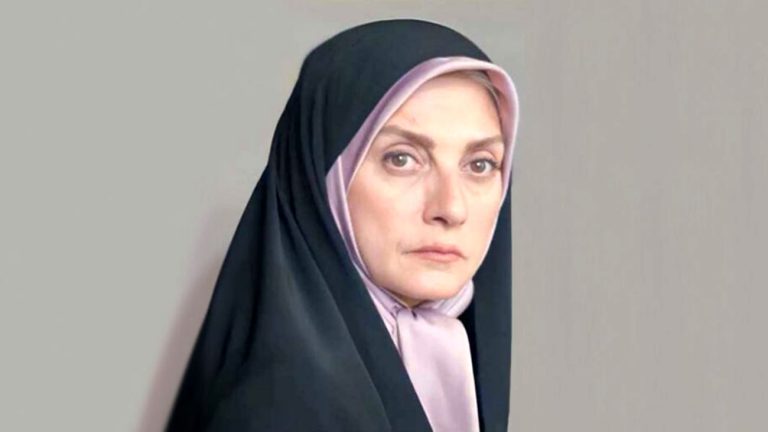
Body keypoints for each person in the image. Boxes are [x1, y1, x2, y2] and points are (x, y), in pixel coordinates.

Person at [166, 18, 519, 432]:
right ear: (321, 179)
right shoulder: (281, 409)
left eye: (480, 165)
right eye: (401, 159)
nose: (451, 208)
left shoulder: (447, 353)